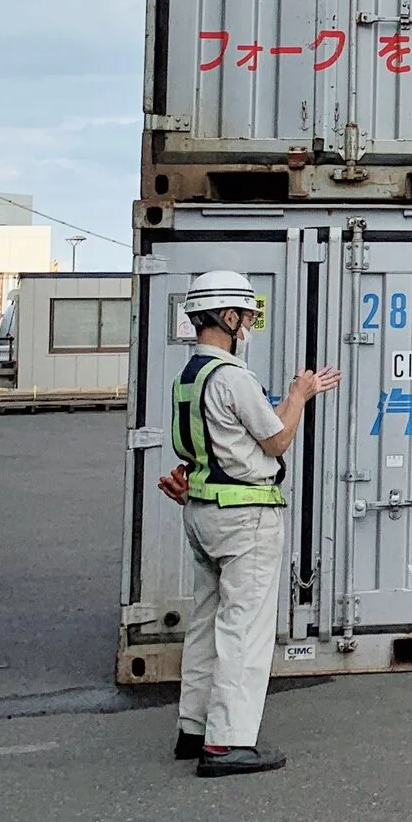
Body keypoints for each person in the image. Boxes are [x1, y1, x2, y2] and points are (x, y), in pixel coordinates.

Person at [155, 271, 338, 777]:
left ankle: (193, 730)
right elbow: (275, 440)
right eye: (248, 316)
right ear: (229, 318)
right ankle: (228, 743)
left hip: (202, 511)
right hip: (246, 516)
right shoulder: (234, 376)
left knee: (206, 622)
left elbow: (208, 446)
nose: (251, 325)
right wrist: (300, 393)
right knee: (245, 629)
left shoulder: (187, 378)